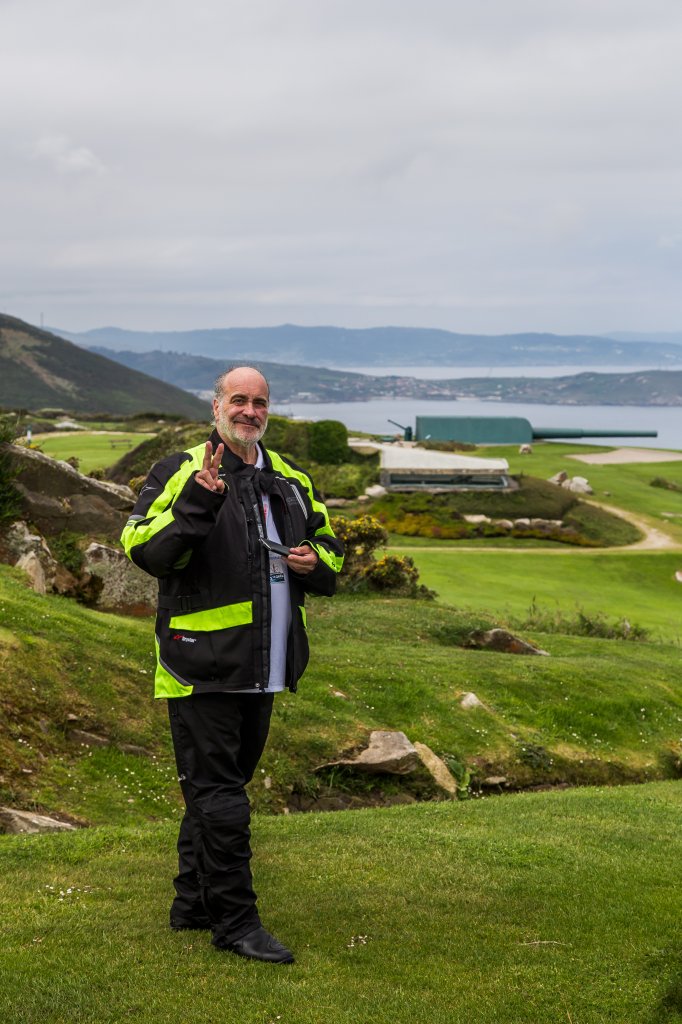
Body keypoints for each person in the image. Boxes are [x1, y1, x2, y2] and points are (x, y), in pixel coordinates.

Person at [121, 366, 344, 964]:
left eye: (260, 402)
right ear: (216, 405)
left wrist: (311, 563)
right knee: (222, 798)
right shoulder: (180, 469)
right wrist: (199, 498)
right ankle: (235, 923)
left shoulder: (292, 478)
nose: (249, 410)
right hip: (200, 667)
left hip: (266, 667)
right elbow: (144, 550)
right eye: (238, 400)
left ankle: (191, 905)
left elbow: (333, 553)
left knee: (219, 793)